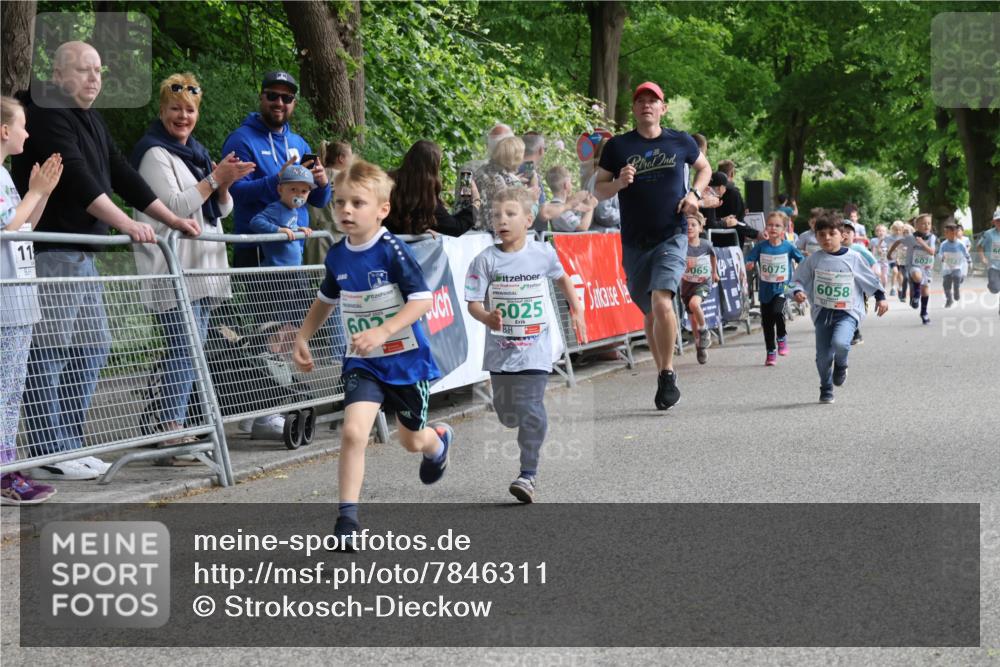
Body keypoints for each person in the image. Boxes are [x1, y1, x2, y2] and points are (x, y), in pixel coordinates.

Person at [11, 41, 200, 481]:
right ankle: (49, 449)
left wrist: (171, 218)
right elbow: (77, 178)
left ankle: (71, 443)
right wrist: (127, 226)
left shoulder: (90, 117)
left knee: (93, 347)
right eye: (83, 70)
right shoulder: (47, 112)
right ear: (58, 75)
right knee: (51, 353)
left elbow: (119, 172)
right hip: (53, 253)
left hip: (83, 254)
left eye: (99, 70)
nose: (95, 78)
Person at [292, 160, 453, 547]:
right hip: (362, 361)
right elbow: (326, 298)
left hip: (405, 361)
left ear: (382, 209)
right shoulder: (337, 255)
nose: (346, 210)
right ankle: (347, 520)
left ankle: (438, 443)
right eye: (340, 202)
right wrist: (303, 337)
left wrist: (382, 330)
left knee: (411, 441)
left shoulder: (392, 250)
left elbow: (422, 300)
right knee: (352, 432)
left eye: (358, 203)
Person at [131, 73, 255, 453]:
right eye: (174, 109)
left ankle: (175, 424)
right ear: (162, 110)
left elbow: (220, 211)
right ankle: (169, 428)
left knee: (193, 348)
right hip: (172, 270)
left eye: (189, 110)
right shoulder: (154, 153)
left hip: (200, 271)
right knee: (185, 347)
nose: (182, 117)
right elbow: (174, 207)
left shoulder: (196, 153)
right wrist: (215, 177)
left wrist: (225, 185)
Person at [221, 69, 331, 438]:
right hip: (257, 252)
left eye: (286, 98)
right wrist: (277, 180)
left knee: (288, 331)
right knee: (268, 331)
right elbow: (232, 194)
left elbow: (314, 200)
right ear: (261, 97)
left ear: (293, 103)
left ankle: (266, 405)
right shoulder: (242, 139)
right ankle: (261, 410)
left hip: (293, 254)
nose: (279, 103)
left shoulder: (297, 140)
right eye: (273, 96)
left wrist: (322, 185)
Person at [594, 81, 712, 410]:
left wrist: (695, 195)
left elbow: (705, 168)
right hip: (634, 241)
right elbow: (599, 190)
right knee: (649, 312)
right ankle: (663, 370)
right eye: (640, 101)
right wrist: (618, 182)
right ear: (633, 109)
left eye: (653, 101)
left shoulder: (681, 141)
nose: (646, 105)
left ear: (663, 108)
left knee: (662, 301)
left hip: (671, 234)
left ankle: (668, 373)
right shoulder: (618, 146)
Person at [465, 186, 586, 503]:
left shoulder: (542, 253)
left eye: (510, 214)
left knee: (531, 410)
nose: (501, 220)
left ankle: (527, 476)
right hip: (501, 354)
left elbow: (563, 278)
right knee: (508, 415)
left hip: (535, 349)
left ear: (528, 219)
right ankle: (520, 420)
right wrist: (487, 317)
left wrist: (578, 310)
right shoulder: (485, 260)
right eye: (496, 215)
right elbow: (473, 304)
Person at [1, 96, 62, 504]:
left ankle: (8, 465)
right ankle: (5, 473)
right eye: (22, 125)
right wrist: (32, 193)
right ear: (4, 131)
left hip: (20, 300)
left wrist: (41, 195)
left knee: (12, 391)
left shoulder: (5, 176)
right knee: (3, 390)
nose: (27, 132)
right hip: (4, 304)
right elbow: (5, 228)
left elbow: (24, 228)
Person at [790, 213, 888, 404]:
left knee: (841, 343)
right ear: (816, 236)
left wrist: (881, 297)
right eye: (821, 234)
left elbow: (869, 279)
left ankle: (841, 365)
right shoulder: (813, 260)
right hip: (822, 313)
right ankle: (826, 388)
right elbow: (794, 282)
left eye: (831, 233)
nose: (826, 238)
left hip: (848, 312)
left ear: (842, 235)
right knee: (823, 357)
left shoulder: (853, 257)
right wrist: (796, 292)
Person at [383, 139, 479, 237]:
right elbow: (456, 227)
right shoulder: (426, 199)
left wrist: (419, 229)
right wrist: (476, 202)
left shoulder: (385, 181)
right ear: (433, 169)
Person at [745, 211, 804, 366]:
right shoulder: (761, 247)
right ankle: (770, 351)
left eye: (777, 226)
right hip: (766, 289)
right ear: (766, 228)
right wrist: (750, 263)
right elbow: (750, 259)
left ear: (783, 229)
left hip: (784, 287)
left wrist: (803, 270)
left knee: (778, 312)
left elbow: (801, 260)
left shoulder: (788, 247)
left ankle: (782, 337)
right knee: (767, 323)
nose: (773, 228)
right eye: (770, 225)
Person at [304, 140, 352, 266]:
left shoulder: (314, 174)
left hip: (313, 238)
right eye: (350, 156)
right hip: (337, 239)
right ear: (341, 158)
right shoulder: (346, 180)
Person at [679, 212, 718, 365]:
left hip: (703, 283)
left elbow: (713, 256)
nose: (690, 228)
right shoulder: (682, 245)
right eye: (687, 225)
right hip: (687, 285)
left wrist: (714, 272)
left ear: (701, 228)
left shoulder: (706, 244)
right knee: (692, 319)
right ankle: (699, 346)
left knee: (694, 304)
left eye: (693, 225)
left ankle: (704, 330)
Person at [474, 135, 534, 232]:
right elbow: (519, 216)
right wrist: (532, 199)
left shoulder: (480, 171)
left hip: (473, 233)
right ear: (515, 157)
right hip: (497, 236)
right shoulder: (505, 181)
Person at [888, 213, 936, 324]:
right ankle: (916, 294)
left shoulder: (932, 237)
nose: (927, 225)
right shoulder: (911, 238)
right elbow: (898, 241)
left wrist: (922, 243)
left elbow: (932, 252)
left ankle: (924, 313)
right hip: (914, 265)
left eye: (929, 223)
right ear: (917, 226)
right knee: (916, 276)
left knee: (926, 291)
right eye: (923, 224)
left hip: (927, 267)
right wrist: (890, 253)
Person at [841, 224, 877, 345]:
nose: (845, 235)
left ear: (854, 236)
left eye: (848, 232)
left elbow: (873, 261)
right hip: (842, 285)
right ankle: (851, 332)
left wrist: (874, 274)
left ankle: (855, 333)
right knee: (844, 308)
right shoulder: (834, 250)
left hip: (858, 285)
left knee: (855, 309)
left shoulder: (858, 248)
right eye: (842, 232)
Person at [583, 136, 620, 231]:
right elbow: (603, 213)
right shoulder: (604, 177)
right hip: (603, 236)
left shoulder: (591, 174)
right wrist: (627, 214)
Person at [544, 165, 597, 233]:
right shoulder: (560, 209)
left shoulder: (557, 206)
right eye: (571, 182)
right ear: (566, 185)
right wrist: (590, 206)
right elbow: (582, 227)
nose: (572, 185)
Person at [937, 223, 971, 308]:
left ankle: (956, 290)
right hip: (947, 267)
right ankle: (949, 299)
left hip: (957, 266)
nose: (947, 234)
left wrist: (970, 262)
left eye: (949, 232)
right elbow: (939, 254)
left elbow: (966, 253)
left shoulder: (960, 244)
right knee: (946, 284)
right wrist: (942, 258)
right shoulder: (944, 244)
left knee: (957, 277)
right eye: (945, 233)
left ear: (955, 233)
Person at [977, 208, 1000, 316]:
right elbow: (980, 246)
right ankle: (991, 285)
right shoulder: (988, 234)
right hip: (993, 266)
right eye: (998, 220)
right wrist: (983, 258)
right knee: (995, 289)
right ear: (994, 222)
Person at [894, 221, 914, 301]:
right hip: (902, 263)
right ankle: (903, 295)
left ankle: (912, 297)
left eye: (908, 232)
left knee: (911, 280)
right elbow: (896, 250)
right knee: (905, 277)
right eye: (904, 232)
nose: (906, 234)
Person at [869, 223, 892, 291]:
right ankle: (877, 287)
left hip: (885, 261)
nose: (881, 232)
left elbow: (890, 250)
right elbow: (873, 251)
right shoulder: (873, 240)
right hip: (876, 261)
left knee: (884, 276)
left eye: (883, 231)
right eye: (879, 231)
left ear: (886, 232)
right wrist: (872, 261)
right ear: (876, 232)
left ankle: (883, 288)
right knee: (877, 273)